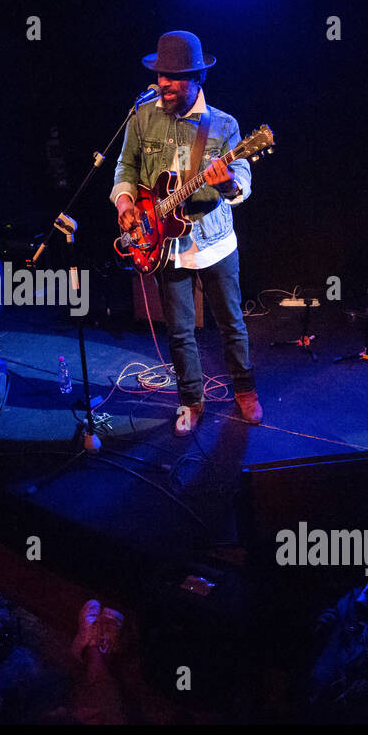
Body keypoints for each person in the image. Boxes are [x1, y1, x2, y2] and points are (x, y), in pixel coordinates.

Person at [111, 30, 261, 436]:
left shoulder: (225, 125)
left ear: (197, 78)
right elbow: (125, 168)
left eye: (174, 77)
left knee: (231, 323)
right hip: (164, 244)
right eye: (161, 74)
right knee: (179, 333)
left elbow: (241, 184)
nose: (164, 83)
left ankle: (245, 391)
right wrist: (126, 203)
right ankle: (190, 401)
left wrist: (227, 182)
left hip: (215, 242)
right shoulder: (142, 118)